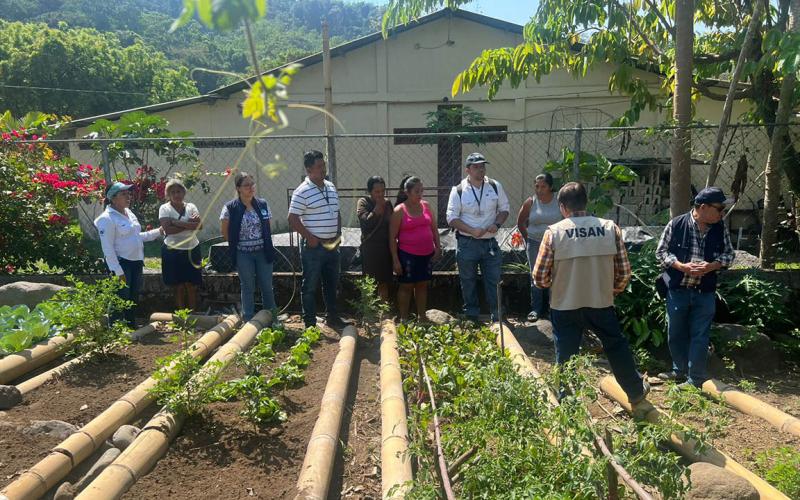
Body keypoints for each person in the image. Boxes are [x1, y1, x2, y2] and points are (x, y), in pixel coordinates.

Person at [533, 181, 649, 404]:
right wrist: (610, 290)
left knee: (566, 355)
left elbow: (539, 277)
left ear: (562, 206)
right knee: (615, 345)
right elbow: (624, 273)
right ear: (586, 202)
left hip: (564, 304)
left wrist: (556, 286)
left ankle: (568, 404)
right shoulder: (609, 228)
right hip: (600, 302)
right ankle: (635, 391)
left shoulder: (554, 233)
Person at [655, 187, 735, 388]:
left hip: (704, 292)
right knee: (676, 333)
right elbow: (661, 252)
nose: (722, 213)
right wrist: (681, 266)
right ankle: (679, 371)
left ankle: (695, 378)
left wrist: (712, 266)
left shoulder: (719, 227)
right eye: (719, 208)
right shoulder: (676, 224)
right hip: (678, 290)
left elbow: (729, 255)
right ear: (703, 207)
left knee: (700, 334)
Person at [446, 152, 510, 322]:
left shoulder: (495, 186)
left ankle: (497, 316)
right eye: (476, 167)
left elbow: (504, 209)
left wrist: (496, 224)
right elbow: (451, 218)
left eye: (482, 166)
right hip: (467, 243)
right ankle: (471, 316)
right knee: (468, 280)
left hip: (489, 242)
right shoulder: (458, 190)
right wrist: (471, 230)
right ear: (468, 170)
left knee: (494, 279)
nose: (480, 170)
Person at [288, 150, 346, 329]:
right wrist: (309, 237)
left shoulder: (330, 186)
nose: (323, 169)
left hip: (331, 245)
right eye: (319, 166)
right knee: (310, 285)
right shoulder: (302, 191)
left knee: (332, 283)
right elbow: (292, 218)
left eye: (324, 165)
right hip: (313, 247)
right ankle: (310, 323)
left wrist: (337, 233)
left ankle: (333, 317)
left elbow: (336, 212)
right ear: (308, 169)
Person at [95, 182, 164, 328]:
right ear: (113, 198)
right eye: (124, 194)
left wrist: (158, 232)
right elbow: (107, 249)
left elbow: (137, 236)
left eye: (129, 194)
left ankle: (131, 326)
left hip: (136, 262)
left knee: (132, 296)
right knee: (120, 296)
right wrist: (118, 271)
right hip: (121, 264)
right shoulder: (106, 219)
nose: (129, 197)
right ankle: (115, 329)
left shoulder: (129, 213)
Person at [220, 172, 276, 322]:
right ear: (238, 188)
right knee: (247, 286)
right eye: (246, 185)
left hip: (263, 252)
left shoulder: (263, 204)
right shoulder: (230, 207)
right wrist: (238, 244)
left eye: (252, 184)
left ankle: (271, 317)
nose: (251, 188)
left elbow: (268, 227)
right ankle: (249, 319)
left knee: (267, 286)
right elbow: (225, 231)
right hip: (243, 253)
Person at [389, 176, 441, 320]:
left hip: (426, 254)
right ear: (407, 192)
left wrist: (438, 247)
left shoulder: (426, 206)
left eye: (421, 191)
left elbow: (434, 229)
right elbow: (392, 237)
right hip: (407, 255)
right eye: (417, 191)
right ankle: (404, 318)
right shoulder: (399, 210)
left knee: (422, 285)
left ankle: (422, 317)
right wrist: (395, 260)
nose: (420, 194)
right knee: (406, 286)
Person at [516, 172, 562, 322]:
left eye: (543, 186)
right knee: (535, 275)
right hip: (535, 243)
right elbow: (520, 222)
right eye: (537, 186)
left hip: (556, 244)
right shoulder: (531, 202)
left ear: (550, 187)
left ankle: (552, 309)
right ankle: (536, 309)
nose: (539, 189)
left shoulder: (559, 202)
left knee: (554, 274)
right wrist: (528, 237)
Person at [159, 178, 203, 311]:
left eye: (179, 191)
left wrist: (176, 222)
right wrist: (189, 225)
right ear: (168, 195)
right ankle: (181, 314)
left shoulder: (191, 207)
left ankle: (193, 312)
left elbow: (199, 226)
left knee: (191, 284)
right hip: (172, 250)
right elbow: (168, 230)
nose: (177, 195)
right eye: (173, 192)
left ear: (184, 193)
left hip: (191, 248)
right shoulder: (164, 208)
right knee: (177, 285)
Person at [357, 176, 393, 302]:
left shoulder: (388, 204)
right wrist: (376, 210)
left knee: (384, 282)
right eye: (377, 191)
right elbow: (365, 223)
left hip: (385, 248)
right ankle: (368, 313)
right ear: (370, 191)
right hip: (370, 249)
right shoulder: (363, 202)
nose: (381, 194)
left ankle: (384, 312)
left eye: (383, 191)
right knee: (369, 282)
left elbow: (392, 225)